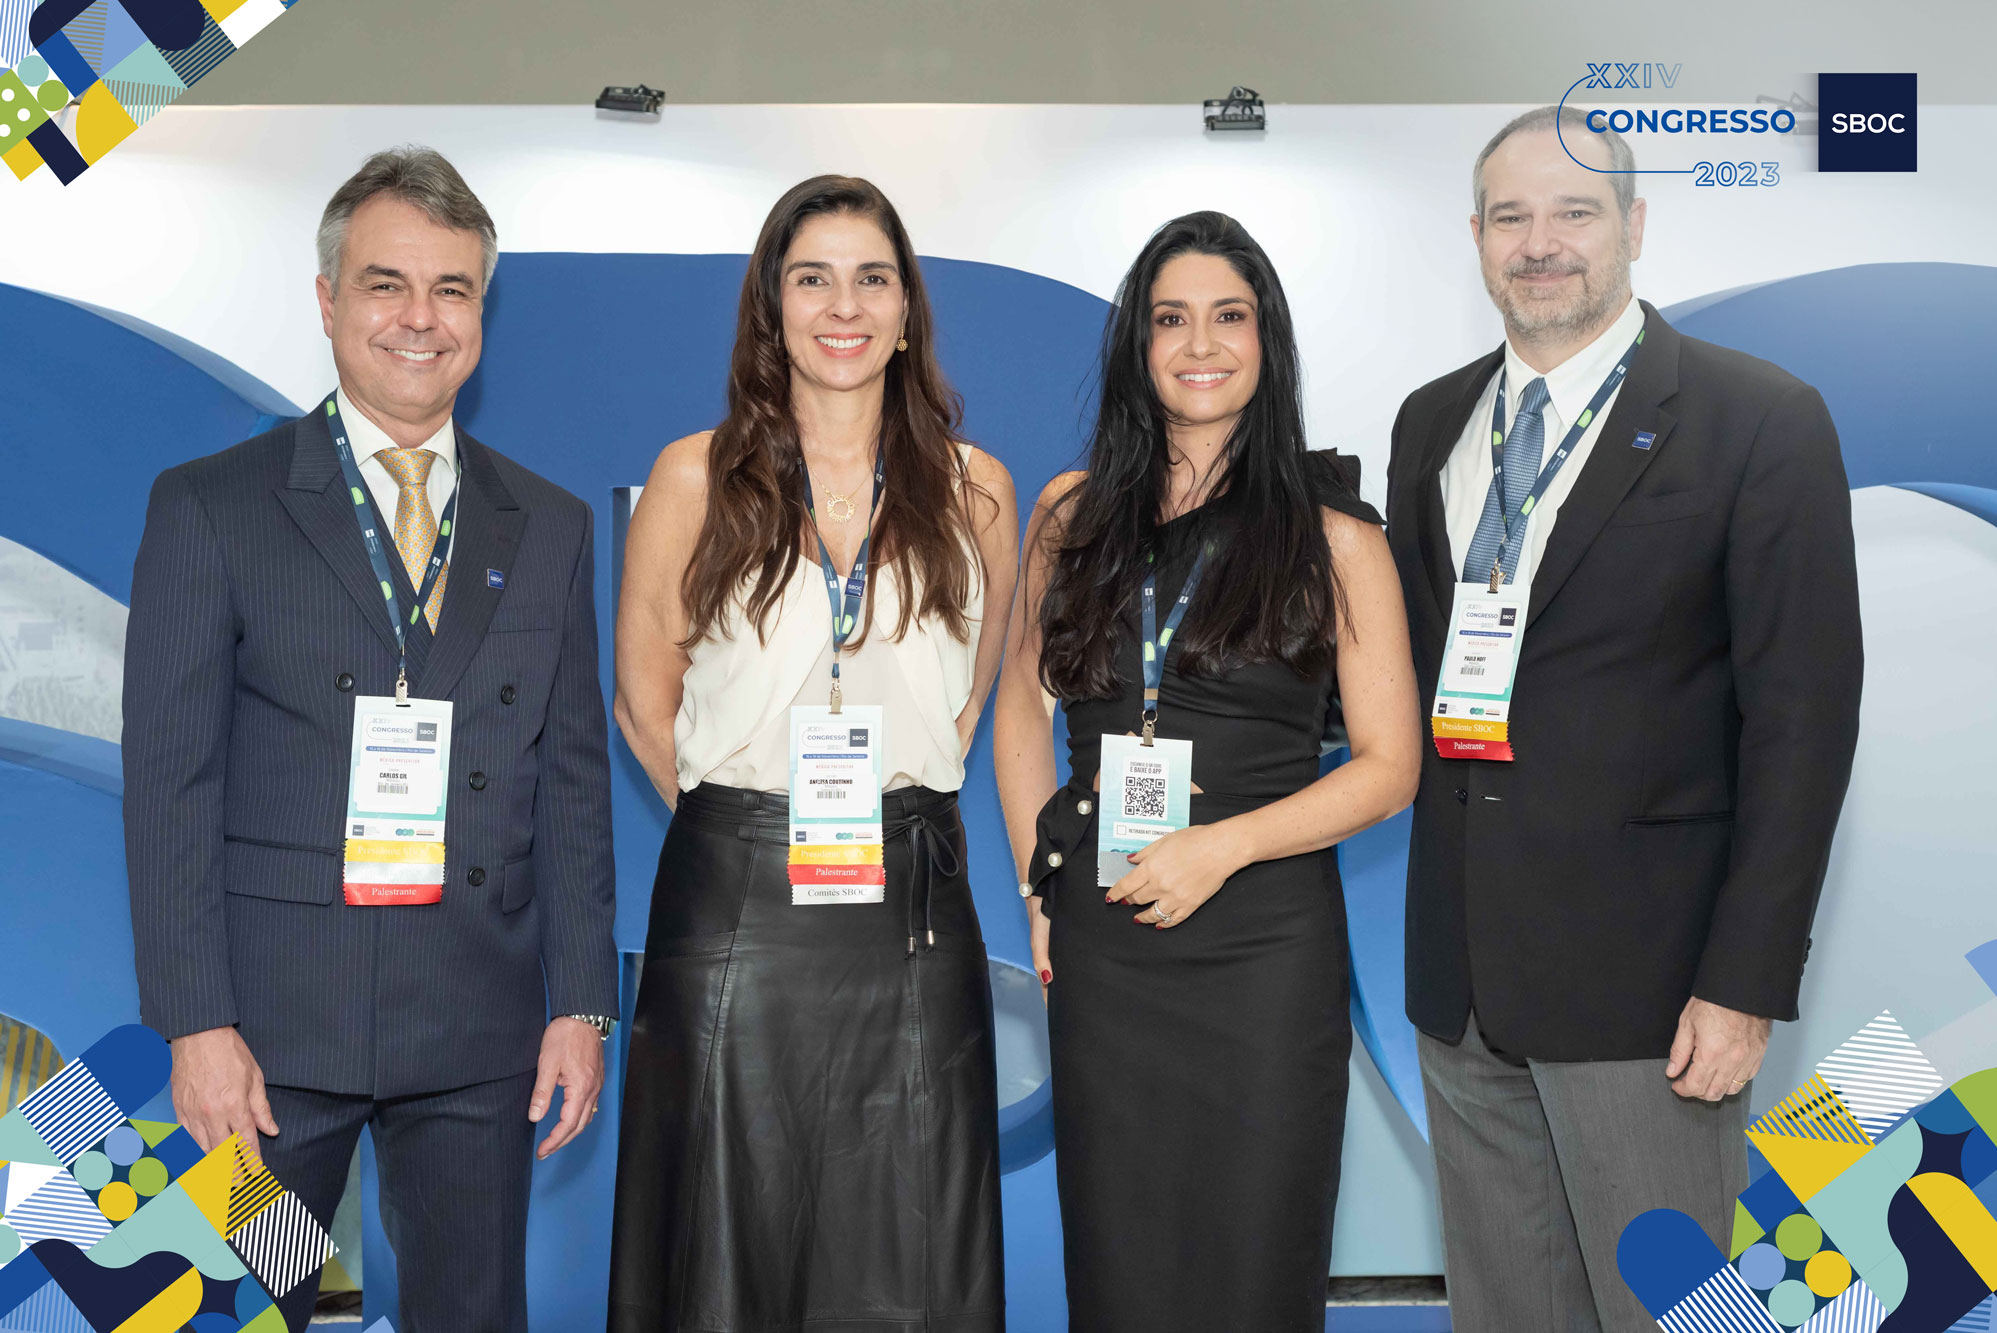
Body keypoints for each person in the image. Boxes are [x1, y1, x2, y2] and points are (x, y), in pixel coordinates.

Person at [123, 147, 619, 1333]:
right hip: (267, 1044)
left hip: (478, 1031)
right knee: (235, 1309)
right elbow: (169, 784)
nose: (419, 318)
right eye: (385, 283)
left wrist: (580, 1003)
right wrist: (196, 1025)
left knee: (471, 1314)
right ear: (327, 299)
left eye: (452, 289)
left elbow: (571, 782)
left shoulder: (546, 523)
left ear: (481, 312)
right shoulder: (211, 504)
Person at [1385, 107, 1864, 1331]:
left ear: (1633, 226)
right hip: (1462, 985)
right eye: (1509, 216)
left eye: (1573, 211)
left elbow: (1802, 721)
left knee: (1673, 1312)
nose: (1538, 242)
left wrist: (1742, 982)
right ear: (1475, 238)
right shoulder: (1428, 422)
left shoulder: (1758, 418)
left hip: (1650, 997)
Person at [994, 211, 1421, 1331]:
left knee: (1253, 1259)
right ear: (1136, 344)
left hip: (1262, 947)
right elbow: (1018, 710)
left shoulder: (1336, 538)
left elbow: (1389, 768)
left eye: (1228, 316)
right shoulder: (1069, 513)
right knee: (1120, 1258)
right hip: (1106, 936)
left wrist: (1221, 847)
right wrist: (1040, 886)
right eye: (1169, 318)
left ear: (1265, 340)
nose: (1199, 344)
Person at [607, 175, 1017, 1332]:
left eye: (871, 278)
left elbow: (967, 701)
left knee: (909, 1241)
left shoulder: (976, 488)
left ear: (906, 310)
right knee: (724, 1239)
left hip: (910, 907)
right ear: (770, 307)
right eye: (812, 278)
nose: (844, 306)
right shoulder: (691, 475)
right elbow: (644, 701)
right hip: (735, 909)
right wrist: (753, 825)